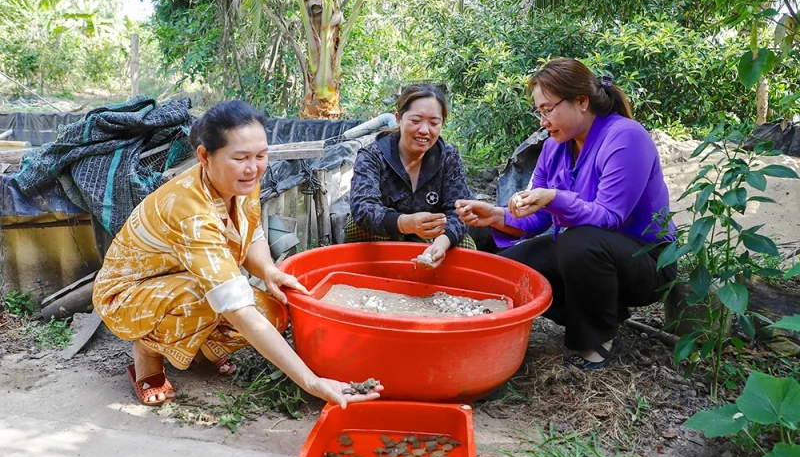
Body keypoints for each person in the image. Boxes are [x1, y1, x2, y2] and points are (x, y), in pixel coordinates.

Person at [93, 100, 382, 406]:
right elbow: (235, 305)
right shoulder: (189, 210)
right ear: (205, 156)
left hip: (184, 280)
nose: (253, 168)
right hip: (127, 295)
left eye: (261, 155)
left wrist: (268, 270)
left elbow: (252, 232)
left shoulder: (241, 181)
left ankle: (200, 351)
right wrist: (312, 381)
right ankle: (147, 353)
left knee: (271, 313)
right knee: (206, 296)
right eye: (241, 157)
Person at [455, 58, 677, 371]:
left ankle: (598, 339)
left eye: (548, 109)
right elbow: (538, 218)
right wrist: (496, 215)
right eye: (539, 112)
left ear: (582, 101)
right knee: (512, 269)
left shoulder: (625, 137)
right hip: (590, 252)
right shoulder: (554, 147)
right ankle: (603, 312)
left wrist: (555, 198)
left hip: (648, 260)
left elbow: (609, 217)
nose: (543, 121)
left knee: (578, 242)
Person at [347, 83, 475, 269]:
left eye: (434, 123)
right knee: (354, 228)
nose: (424, 130)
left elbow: (460, 210)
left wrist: (442, 242)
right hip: (384, 231)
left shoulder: (448, 157)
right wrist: (405, 223)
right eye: (416, 121)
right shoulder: (373, 156)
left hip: (431, 233)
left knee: (467, 247)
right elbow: (363, 207)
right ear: (398, 118)